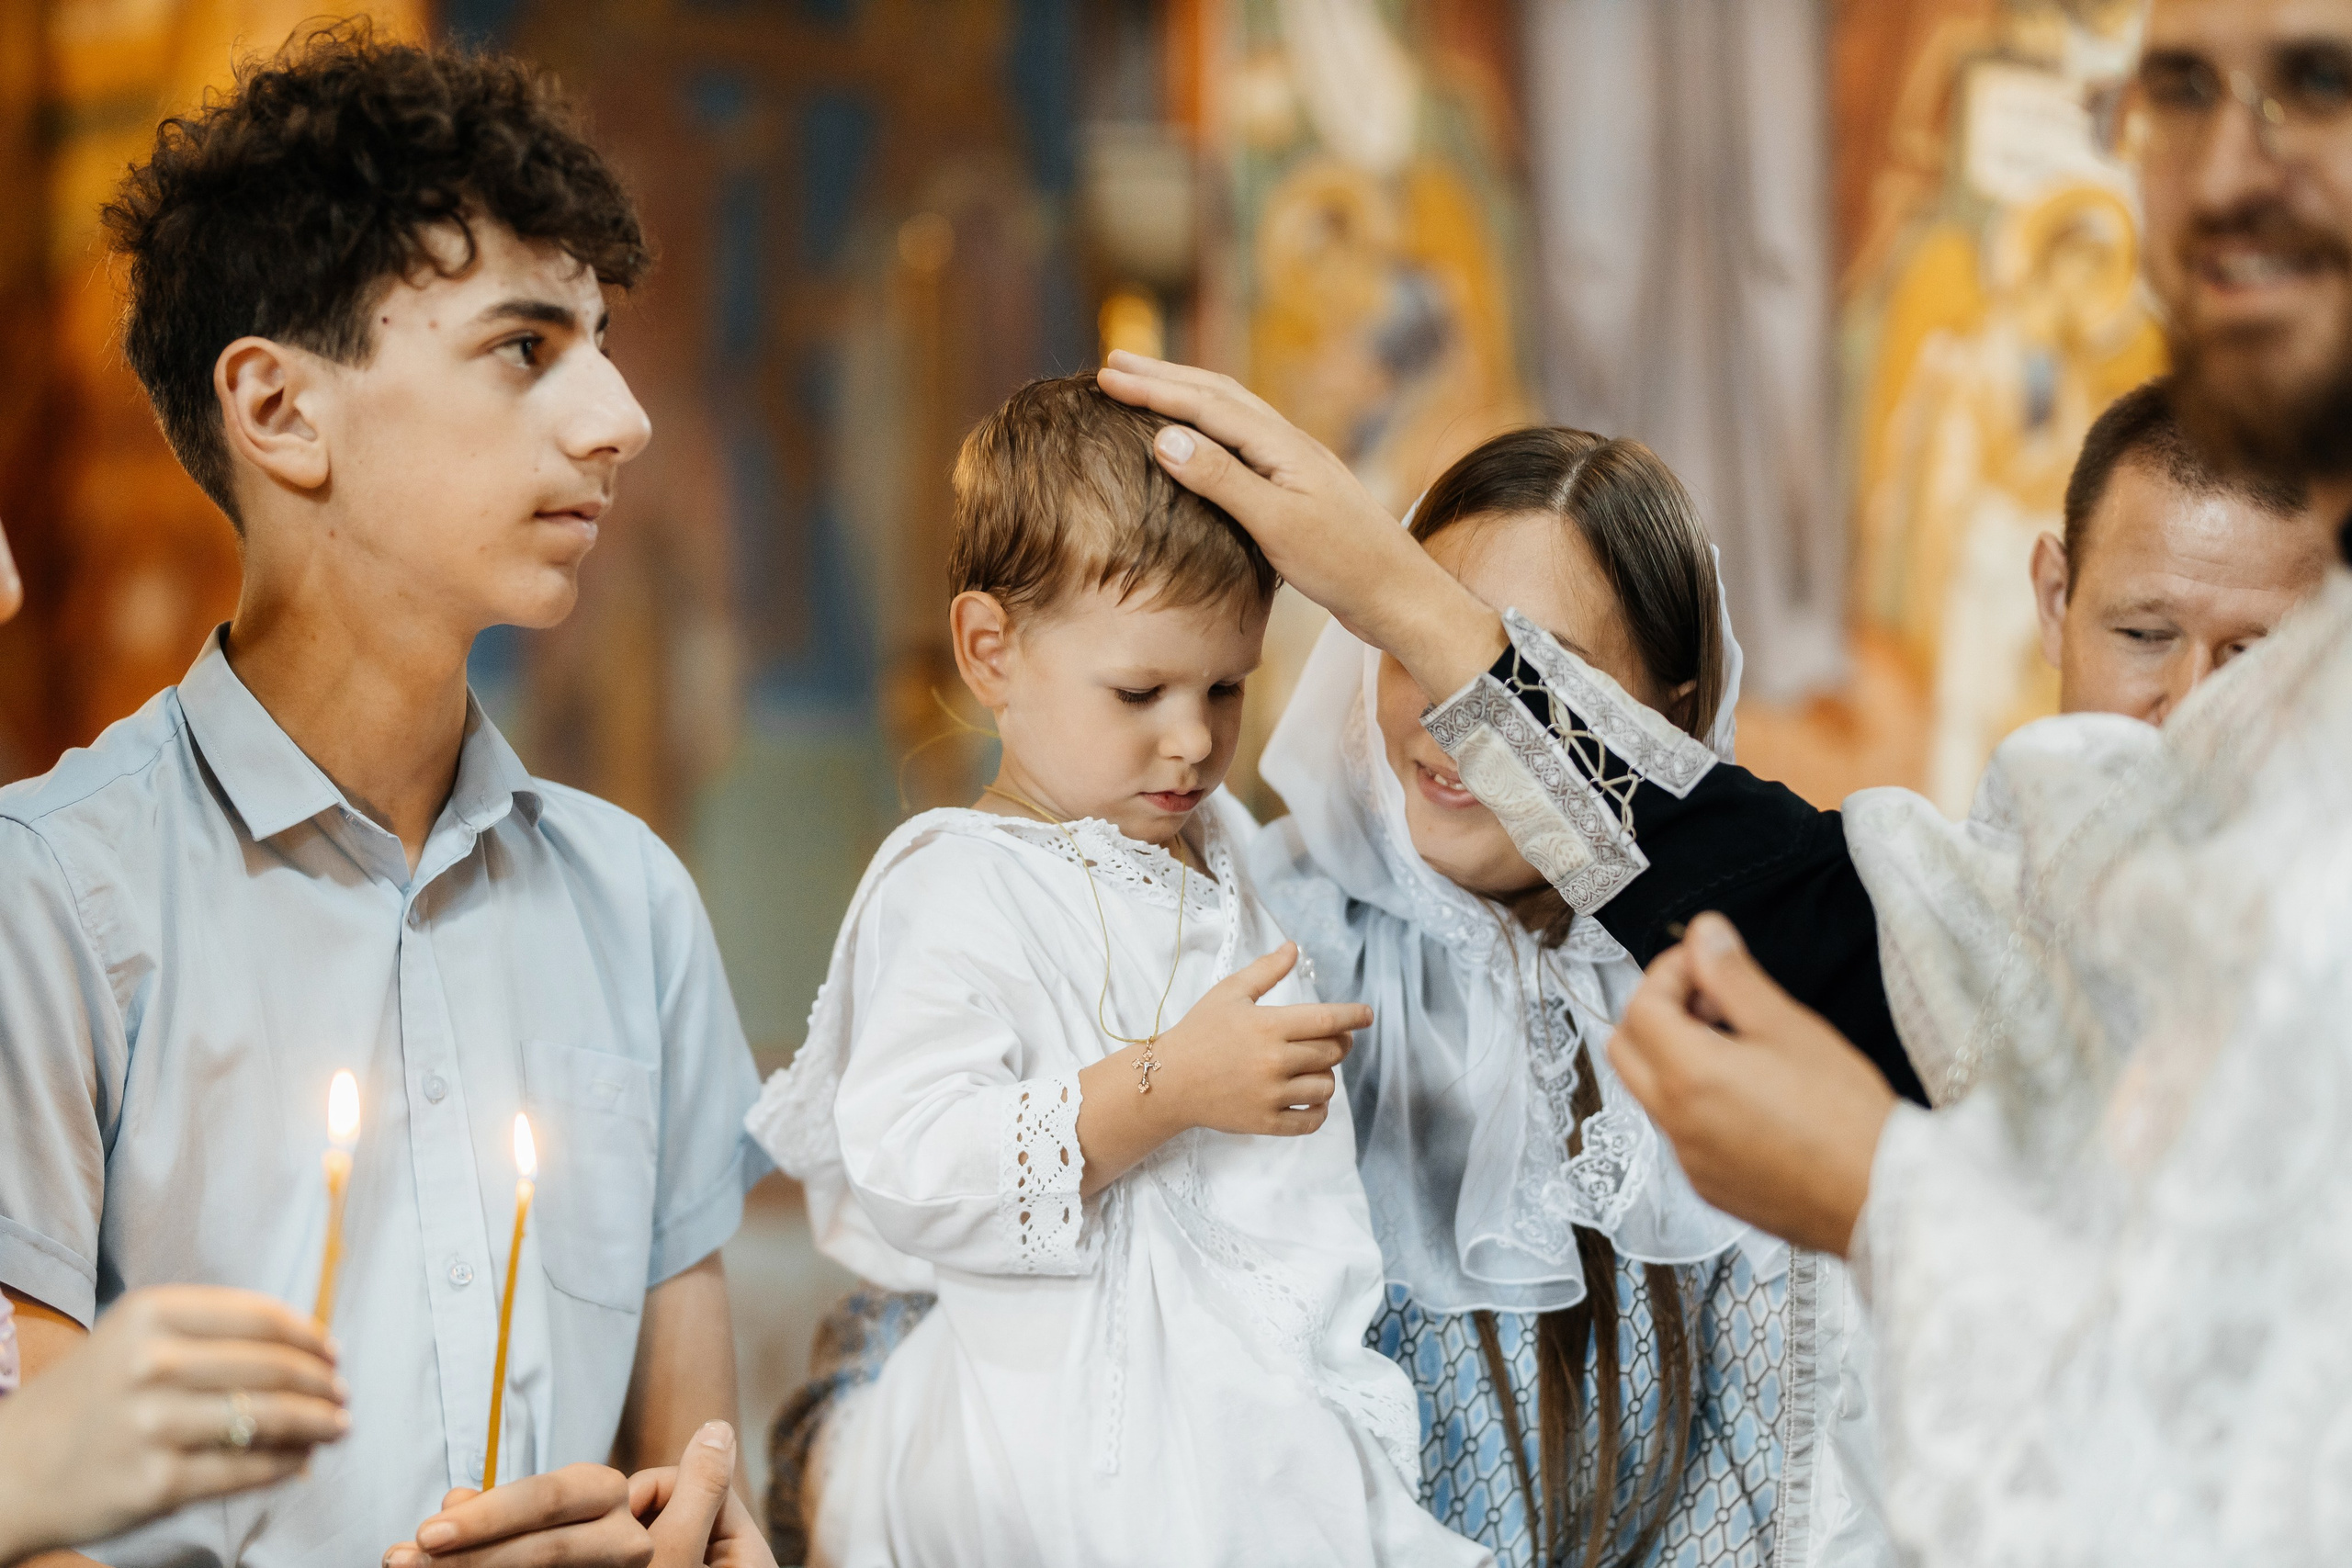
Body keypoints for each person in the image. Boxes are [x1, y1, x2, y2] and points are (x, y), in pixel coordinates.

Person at [1114, 0, 2352, 1556]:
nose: (2233, 172)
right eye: (2181, 94)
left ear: (1676, 703)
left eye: (2316, 87)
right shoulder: (1257, 929)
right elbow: (1810, 902)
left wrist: (1875, 1192)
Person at [0, 25, 771, 1564]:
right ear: (281, 410)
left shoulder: (635, 903)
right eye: (526, 347)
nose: (620, 417)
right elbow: (35, 1512)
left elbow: (694, 1490)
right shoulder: (47, 896)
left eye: (603, 340)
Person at [745, 374, 1485, 1567]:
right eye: (1140, 691)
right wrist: (1166, 1084)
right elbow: (914, 1162)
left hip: (1254, 1373)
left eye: (1226, 687)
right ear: (991, 651)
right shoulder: (953, 881)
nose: (1192, 739)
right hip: (1084, 1413)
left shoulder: (1218, 837)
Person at [1250, 427, 1887, 1568]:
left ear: (1659, 715)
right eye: (1415, 639)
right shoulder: (1264, 944)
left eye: (1528, 667)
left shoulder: (1758, 999)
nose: (1453, 715)